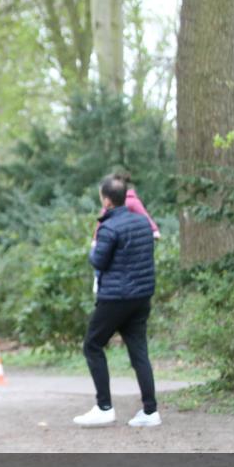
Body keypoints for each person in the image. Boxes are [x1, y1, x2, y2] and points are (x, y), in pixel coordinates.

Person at [75, 175, 160, 428]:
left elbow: (98, 261)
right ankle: (150, 411)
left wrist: (92, 249)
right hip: (141, 298)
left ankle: (104, 407)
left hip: (115, 298)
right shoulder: (143, 223)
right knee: (139, 352)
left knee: (92, 345)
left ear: (107, 200)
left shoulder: (109, 228)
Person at [91, 168, 159, 293]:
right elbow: (101, 223)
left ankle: (99, 280)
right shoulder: (109, 208)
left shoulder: (131, 202)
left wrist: (154, 231)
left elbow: (145, 217)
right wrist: (96, 239)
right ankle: (98, 279)